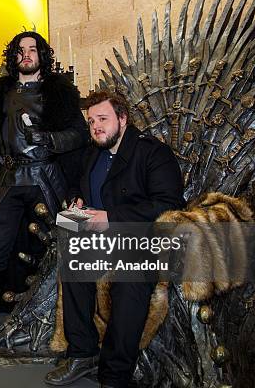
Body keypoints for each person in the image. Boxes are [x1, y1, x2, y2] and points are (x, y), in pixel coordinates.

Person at [43, 89, 185, 387]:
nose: (96, 126)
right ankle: (82, 353)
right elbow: (74, 186)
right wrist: (75, 202)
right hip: (95, 235)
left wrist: (110, 217)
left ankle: (115, 374)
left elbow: (168, 204)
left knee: (130, 278)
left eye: (103, 119)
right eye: (92, 120)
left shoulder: (153, 153)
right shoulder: (91, 152)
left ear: (122, 118)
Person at [0, 31, 89, 335]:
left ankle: (56, 307)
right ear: (13, 57)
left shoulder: (58, 92)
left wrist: (47, 139)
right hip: (10, 179)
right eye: (20, 50)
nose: (26, 55)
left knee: (54, 243)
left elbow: (79, 135)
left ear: (42, 56)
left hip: (45, 177)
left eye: (32, 50)